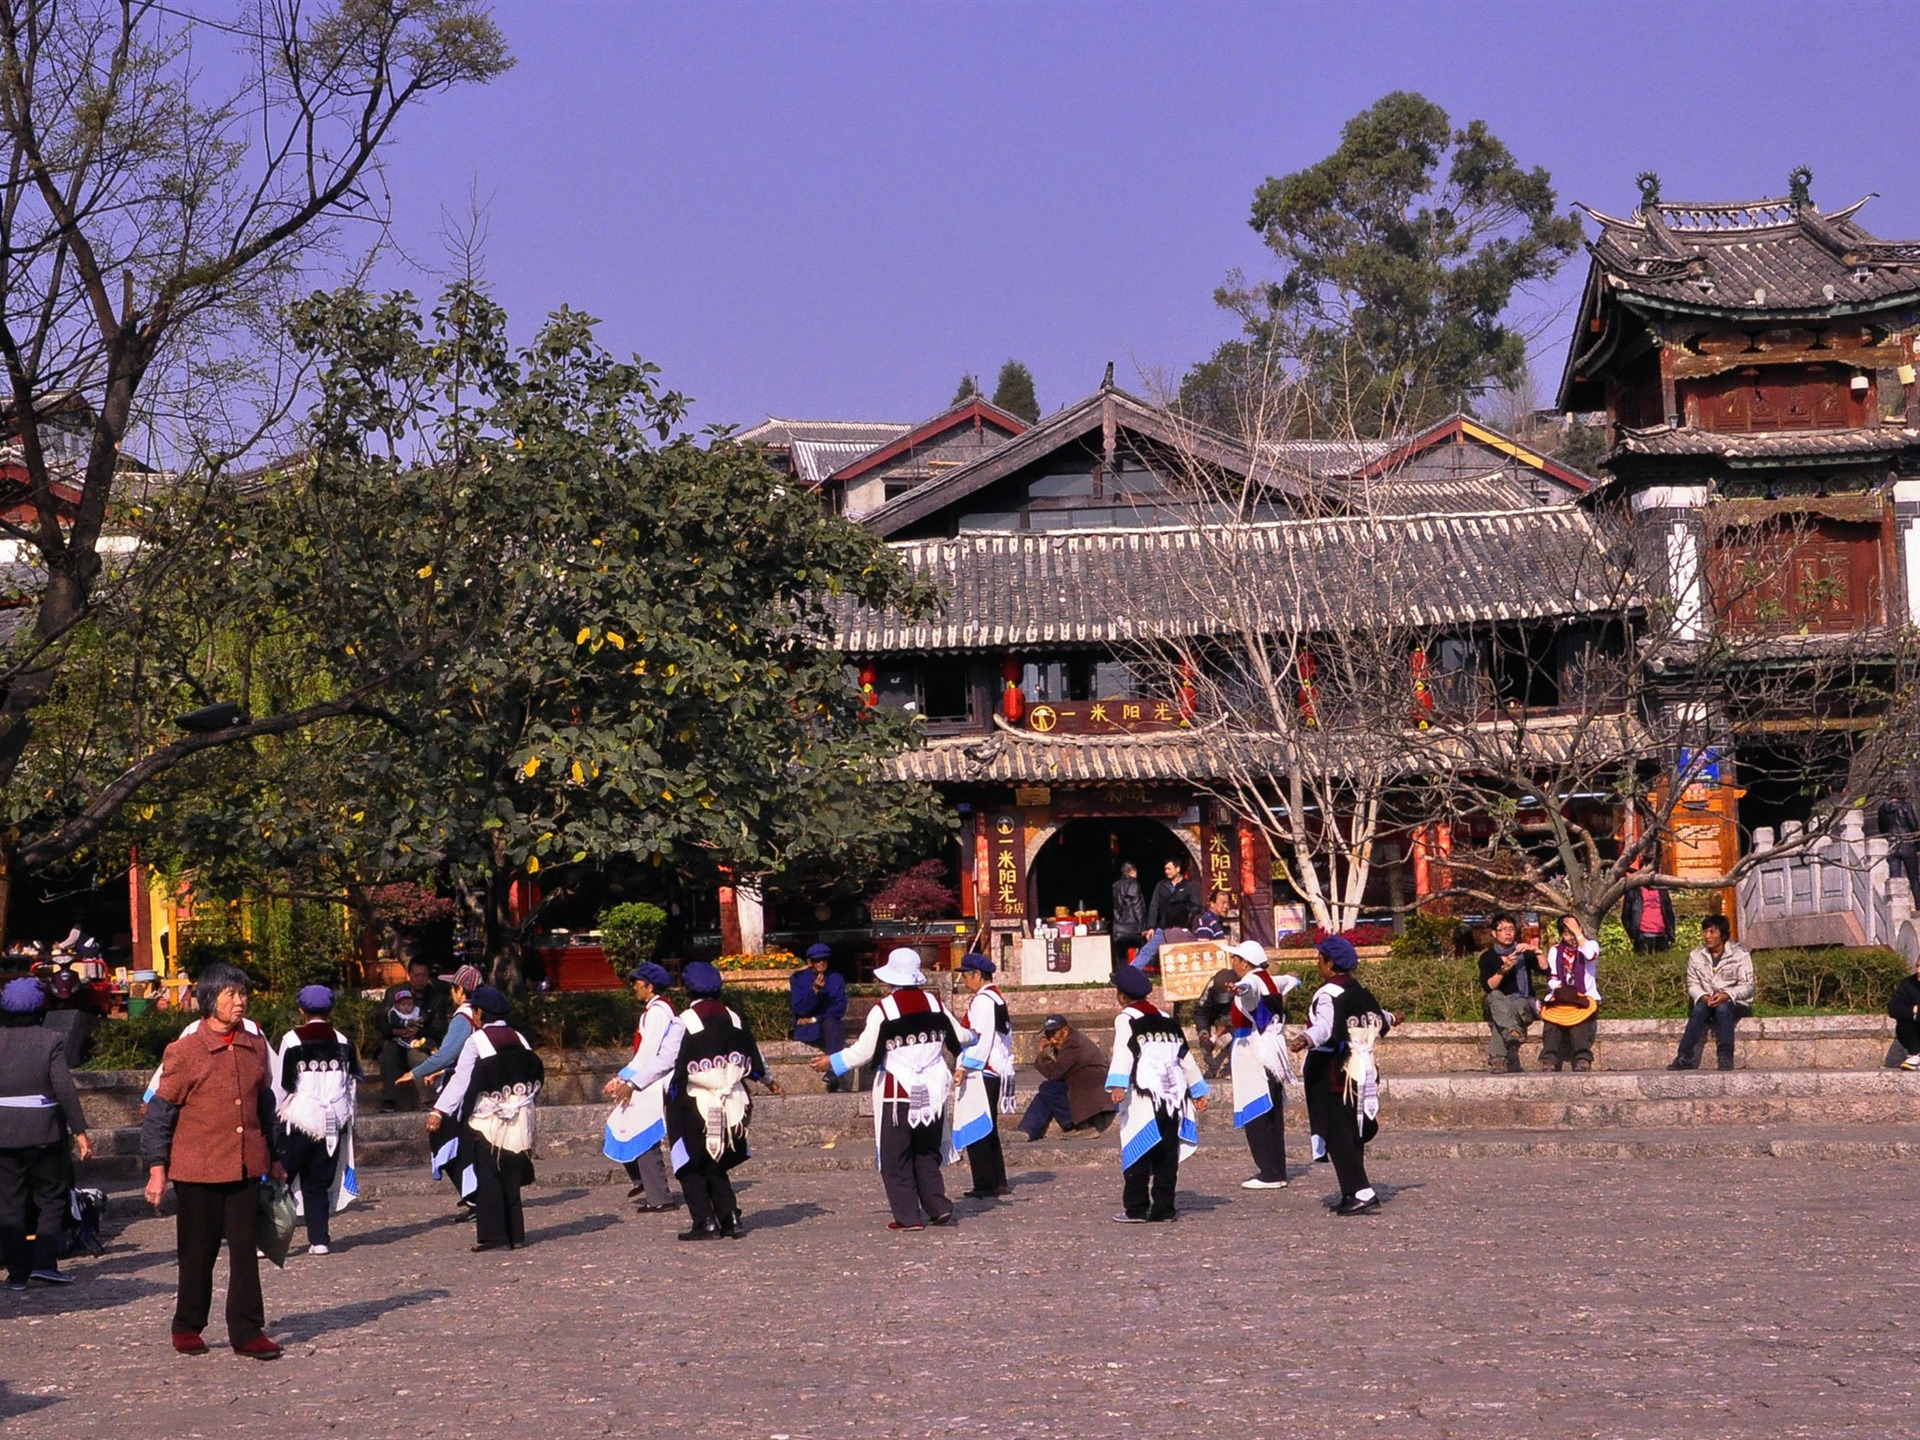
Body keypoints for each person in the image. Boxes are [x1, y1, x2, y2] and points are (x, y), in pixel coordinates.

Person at [140, 962, 283, 1359]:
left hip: (244, 1165)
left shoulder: (255, 1046)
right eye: (231, 995)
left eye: (243, 994)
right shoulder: (185, 1051)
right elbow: (160, 1113)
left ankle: (247, 1330)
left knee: (244, 1250)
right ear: (209, 1000)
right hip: (197, 1168)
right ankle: (187, 1325)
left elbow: (265, 1104)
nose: (240, 1002)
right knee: (197, 1251)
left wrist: (274, 1156)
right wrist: (157, 1169)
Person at [813, 947, 967, 1231]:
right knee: (926, 1150)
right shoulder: (935, 1004)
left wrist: (832, 1061)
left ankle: (908, 1216)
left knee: (896, 1155)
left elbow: (863, 1051)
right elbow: (962, 1037)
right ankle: (938, 1206)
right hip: (933, 1090)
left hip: (899, 1091)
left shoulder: (884, 1010)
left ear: (891, 978)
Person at [663, 962, 777, 1241]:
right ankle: (730, 1217)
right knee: (716, 1160)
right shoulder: (733, 1018)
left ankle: (705, 1221)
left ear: (688, 989)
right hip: (730, 1099)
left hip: (693, 1099)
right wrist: (768, 1080)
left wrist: (630, 1081)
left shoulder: (685, 1021)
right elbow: (756, 1057)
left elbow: (666, 1060)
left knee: (688, 1161)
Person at [1288, 937, 1398, 1216]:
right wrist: (1394, 1018)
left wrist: (1305, 1038)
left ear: (1330, 963)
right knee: (1352, 1132)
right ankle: (1351, 1190)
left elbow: (1324, 1026)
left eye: (1320, 958)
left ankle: (1361, 1191)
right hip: (1361, 1068)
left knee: (1338, 1132)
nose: (1317, 964)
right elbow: (1377, 1017)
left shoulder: (1328, 994)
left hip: (1334, 1069)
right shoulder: (1360, 991)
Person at [429, 986, 544, 1252]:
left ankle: (495, 1236)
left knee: (489, 1175)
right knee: (512, 1176)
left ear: (480, 1012)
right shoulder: (519, 1038)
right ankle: (516, 1233)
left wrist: (439, 1110)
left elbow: (461, 1081)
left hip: (488, 1118)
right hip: (521, 1116)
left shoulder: (477, 1041)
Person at [0, 976, 91, 1290]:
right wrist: (80, 1131)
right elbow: (64, 1089)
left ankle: (17, 1273)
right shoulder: (49, 1040)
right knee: (51, 1198)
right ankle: (44, 1263)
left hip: (3, 1133)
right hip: (42, 1132)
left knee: (9, 1202)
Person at [1104, 965, 1208, 1222]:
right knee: (1166, 1154)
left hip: (1144, 1096)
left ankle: (1136, 1208)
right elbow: (1184, 1057)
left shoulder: (1126, 1018)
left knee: (1138, 1149)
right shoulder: (1166, 1019)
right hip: (1173, 1095)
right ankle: (1164, 1209)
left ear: (1121, 995)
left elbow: (1124, 1051)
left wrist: (1117, 1084)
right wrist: (1198, 1089)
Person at [270, 986, 360, 1256]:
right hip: (333, 1120)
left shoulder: (292, 1040)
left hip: (300, 1119)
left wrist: (271, 1112)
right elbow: (351, 1086)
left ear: (301, 1010)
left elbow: (282, 1083)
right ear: (330, 1010)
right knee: (318, 1183)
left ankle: (270, 1240)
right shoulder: (344, 1041)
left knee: (280, 1181)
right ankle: (319, 1239)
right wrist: (349, 1118)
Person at [601, 962, 679, 1212]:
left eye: (638, 982)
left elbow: (648, 1053)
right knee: (621, 1127)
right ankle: (644, 1182)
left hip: (650, 1081)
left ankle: (658, 1196)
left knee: (643, 1135)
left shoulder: (657, 1012)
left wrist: (624, 1079)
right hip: (644, 1078)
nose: (634, 986)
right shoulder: (655, 1010)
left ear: (650, 985)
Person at [1222, 940, 1299, 1190]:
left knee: (1257, 1110)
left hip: (1253, 1051)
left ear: (1246, 963)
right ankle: (1277, 1169)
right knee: (1273, 1110)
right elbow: (1288, 980)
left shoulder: (1253, 980)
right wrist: (1296, 979)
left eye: (1236, 958)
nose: (1232, 962)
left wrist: (1239, 989)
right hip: (1273, 1050)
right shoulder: (1271, 979)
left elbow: (1249, 988)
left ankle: (1269, 1173)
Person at [952, 953, 1014, 1200]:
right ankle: (997, 1181)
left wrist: (964, 1067)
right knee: (989, 1128)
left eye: (966, 975)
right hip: (993, 1068)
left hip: (983, 1070)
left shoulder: (983, 1001)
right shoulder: (995, 997)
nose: (964, 980)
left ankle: (985, 1183)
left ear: (977, 975)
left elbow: (979, 1037)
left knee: (978, 1126)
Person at [1668, 916, 1755, 1071]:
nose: (1707, 936)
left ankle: (1725, 1057)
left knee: (1723, 1009)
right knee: (1699, 1009)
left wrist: (1727, 995)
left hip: (1735, 1003)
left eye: (1712, 932)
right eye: (1705, 931)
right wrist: (1703, 996)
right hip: (1707, 1001)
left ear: (1722, 934)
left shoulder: (1740, 955)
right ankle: (1684, 1057)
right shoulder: (1696, 955)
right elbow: (1692, 984)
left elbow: (1747, 986)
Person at [1019, 1015, 1116, 1140]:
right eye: (1048, 1035)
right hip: (1083, 1086)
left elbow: (1054, 1073)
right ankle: (1026, 1131)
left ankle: (1078, 1126)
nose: (1052, 1039)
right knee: (1046, 1093)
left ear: (1065, 1030)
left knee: (1048, 1088)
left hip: (1093, 1092)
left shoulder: (1073, 1044)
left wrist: (1042, 1054)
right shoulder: (1070, 1040)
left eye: (1055, 1034)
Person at [1478, 913, 1540, 1073]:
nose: (1508, 933)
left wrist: (1537, 951)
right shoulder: (1488, 957)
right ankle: (1513, 1031)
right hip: (1499, 1004)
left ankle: (1498, 1059)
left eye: (1511, 929)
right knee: (1495, 997)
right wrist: (1503, 970)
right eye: (1503, 929)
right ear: (1494, 933)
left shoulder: (1524, 953)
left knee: (1515, 1006)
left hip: (1522, 1003)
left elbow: (1546, 970)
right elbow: (1489, 987)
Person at [1539, 916, 1602, 1073]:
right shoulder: (1555, 951)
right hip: (1561, 996)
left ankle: (1582, 1058)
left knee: (1578, 1020)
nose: (1571, 937)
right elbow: (1552, 978)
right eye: (1567, 934)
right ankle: (1549, 1060)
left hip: (1585, 996)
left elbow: (1590, 956)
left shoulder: (1590, 945)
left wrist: (1577, 932)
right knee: (1551, 1021)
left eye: (1573, 932)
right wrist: (1562, 990)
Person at [376, 959, 439, 1110]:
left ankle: (428, 1100)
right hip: (396, 1038)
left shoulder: (435, 996)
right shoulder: (393, 993)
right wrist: (394, 1031)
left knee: (417, 1055)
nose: (420, 979)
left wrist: (419, 1031)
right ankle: (389, 1101)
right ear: (409, 975)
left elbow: (439, 1026)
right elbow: (381, 1019)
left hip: (420, 1039)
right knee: (389, 1053)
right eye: (416, 975)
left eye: (424, 975)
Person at [789, 944, 849, 1092]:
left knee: (833, 1024)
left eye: (824, 960)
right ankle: (835, 1070)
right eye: (817, 960)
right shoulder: (798, 978)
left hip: (826, 1024)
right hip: (808, 1028)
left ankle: (833, 1071)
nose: (821, 963)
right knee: (832, 1025)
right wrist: (814, 990)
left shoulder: (836, 979)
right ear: (810, 962)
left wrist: (815, 1018)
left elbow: (839, 1008)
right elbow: (800, 1009)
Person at [1132, 859, 1200, 970]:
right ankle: (1131, 972)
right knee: (1147, 950)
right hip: (1163, 927)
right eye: (1165, 869)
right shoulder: (1161, 886)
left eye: (1169, 868)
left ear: (1177, 869)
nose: (1167, 871)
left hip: (1182, 928)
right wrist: (1151, 927)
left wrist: (1185, 914)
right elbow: (1154, 906)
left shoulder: (1189, 886)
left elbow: (1197, 905)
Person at [1880, 778, 1920, 899]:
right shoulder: (1905, 806)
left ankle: (1896, 902)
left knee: (1895, 877)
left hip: (1892, 845)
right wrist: (1918, 846)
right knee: (1913, 877)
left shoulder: (1882, 808)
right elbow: (1914, 826)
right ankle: (1918, 903)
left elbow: (1881, 828)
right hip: (1907, 844)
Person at [1621, 879, 1676, 955]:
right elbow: (1625, 916)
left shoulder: (1662, 891)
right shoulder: (1634, 892)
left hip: (1662, 936)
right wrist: (1635, 935)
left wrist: (1670, 933)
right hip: (1643, 936)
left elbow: (1669, 912)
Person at [1887, 954, 1920, 1070]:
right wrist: (1914, 1010)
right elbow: (1893, 1008)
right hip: (1914, 1034)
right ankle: (1915, 1054)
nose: (1918, 971)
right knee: (1904, 1020)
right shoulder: (1907, 983)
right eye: (1917, 966)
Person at [1111, 861, 1147, 962]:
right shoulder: (1133, 884)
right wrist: (1143, 926)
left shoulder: (1115, 885)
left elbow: (1117, 907)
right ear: (1132, 871)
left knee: (1121, 957)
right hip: (1133, 927)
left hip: (1119, 927)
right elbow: (1137, 906)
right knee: (1138, 954)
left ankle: (1122, 975)